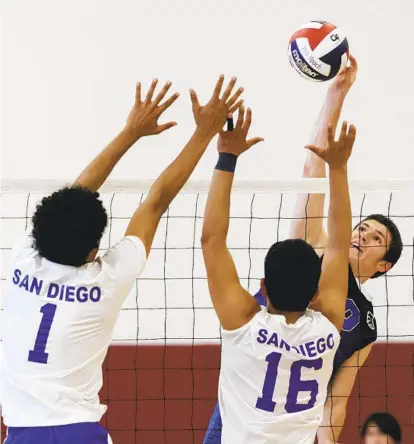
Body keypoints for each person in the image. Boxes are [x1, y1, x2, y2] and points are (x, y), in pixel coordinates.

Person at [0, 75, 244, 444]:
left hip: (21, 435)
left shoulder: (23, 258)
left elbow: (75, 195)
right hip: (79, 433)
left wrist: (130, 131)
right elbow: (156, 202)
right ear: (92, 252)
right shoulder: (106, 282)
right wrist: (205, 133)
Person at [203, 57, 403, 444]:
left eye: (375, 238)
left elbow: (337, 401)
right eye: (361, 228)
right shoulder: (325, 286)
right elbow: (313, 173)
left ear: (385, 265)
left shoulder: (361, 323)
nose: (361, 236)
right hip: (245, 409)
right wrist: (335, 96)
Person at [201, 101, 357, 443]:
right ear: (315, 294)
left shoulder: (243, 322)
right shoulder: (329, 326)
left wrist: (227, 156)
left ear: (262, 287)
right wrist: (339, 169)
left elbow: (212, 240)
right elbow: (339, 246)